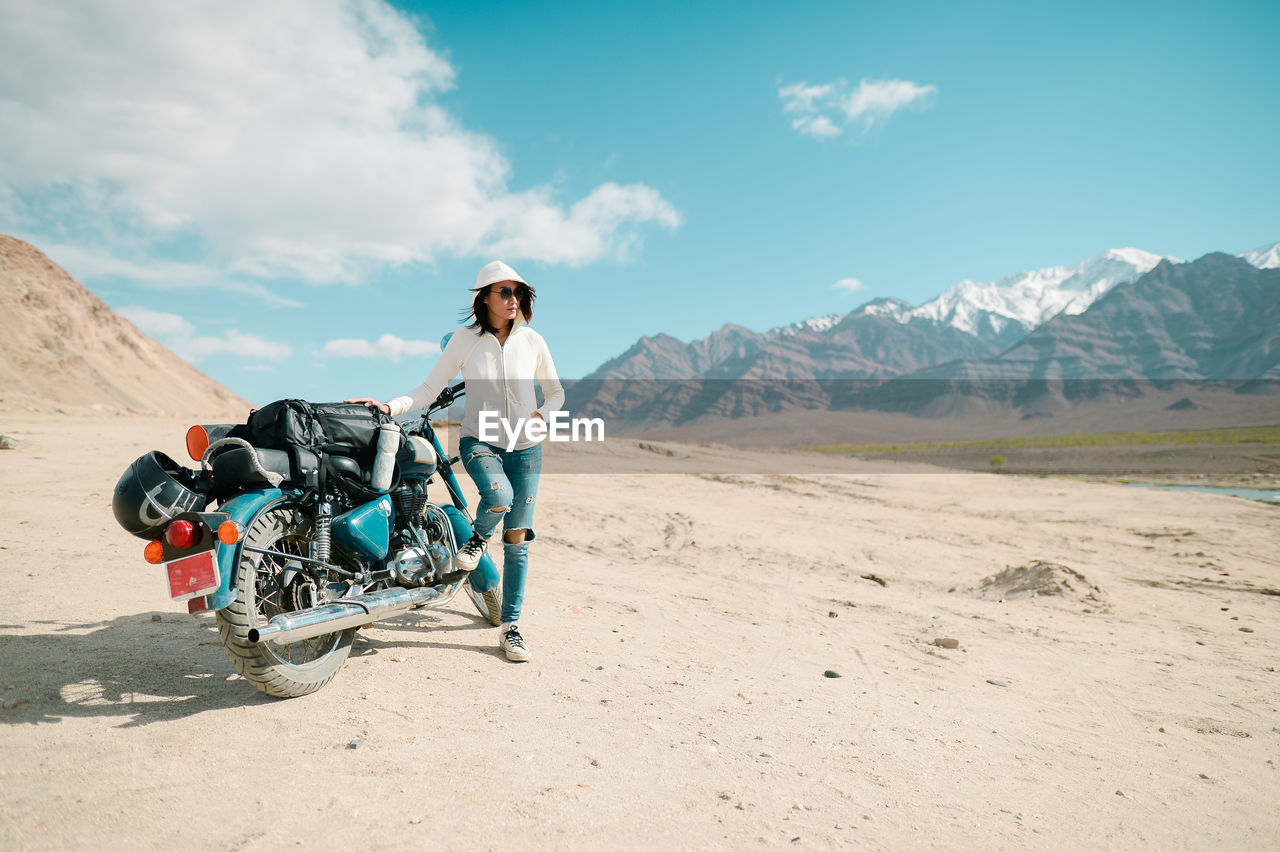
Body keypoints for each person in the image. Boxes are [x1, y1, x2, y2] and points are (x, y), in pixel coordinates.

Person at [348, 260, 564, 662]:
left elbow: (555, 393)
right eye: (504, 291)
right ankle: (479, 539)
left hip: (527, 447)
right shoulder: (465, 341)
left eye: (518, 292)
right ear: (484, 298)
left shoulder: (533, 341)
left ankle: (510, 627)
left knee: (518, 539)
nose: (513, 299)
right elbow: (430, 388)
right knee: (498, 496)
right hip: (480, 440)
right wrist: (388, 406)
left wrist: (542, 416)